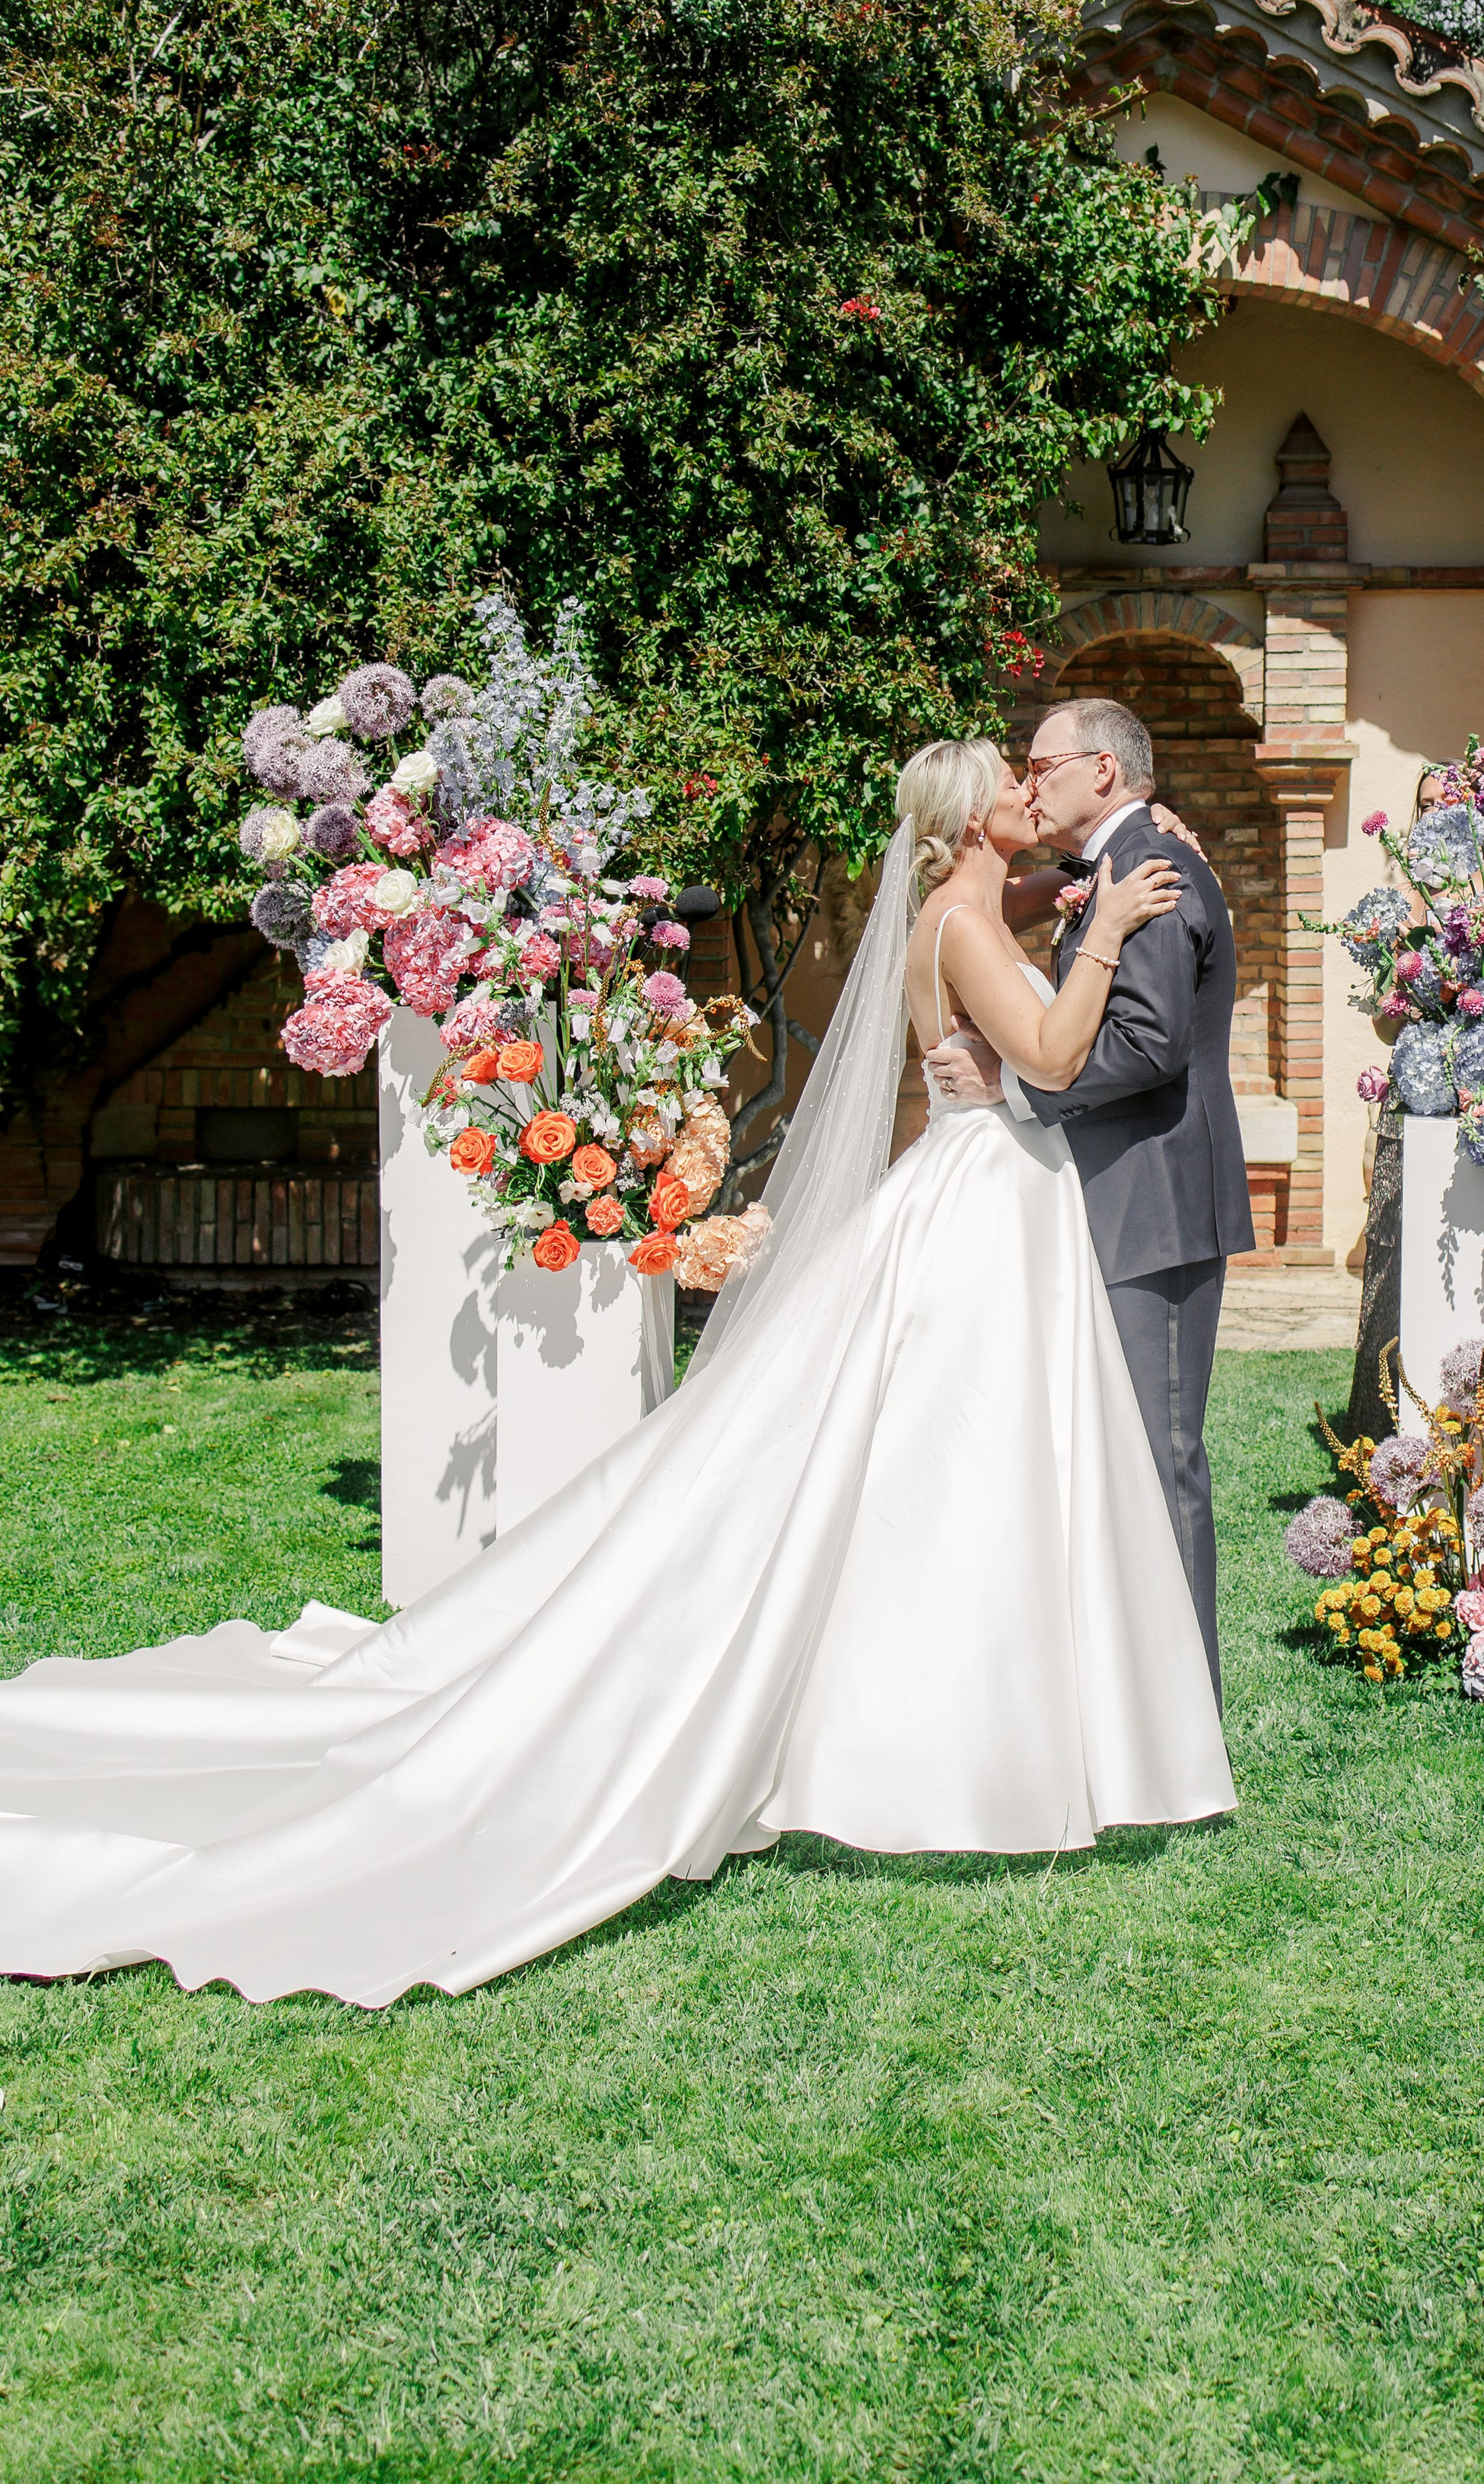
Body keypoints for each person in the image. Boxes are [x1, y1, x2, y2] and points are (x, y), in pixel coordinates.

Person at [0, 742, 1233, 2010]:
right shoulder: (970, 921)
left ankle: (957, 1727)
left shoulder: (954, 910)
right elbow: (1053, 1054)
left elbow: (988, 960)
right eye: (1016, 787)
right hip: (987, 1206)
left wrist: (1060, 905)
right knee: (962, 1465)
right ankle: (946, 1745)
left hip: (976, 1192)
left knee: (934, 1467)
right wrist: (1105, 935)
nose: (1039, 799)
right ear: (977, 812)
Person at [928, 699, 1255, 1704]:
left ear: (1104, 771)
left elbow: (1148, 1046)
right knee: (1114, 1447)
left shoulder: (1150, 871)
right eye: (1017, 773)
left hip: (1151, 1196)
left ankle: (1180, 1700)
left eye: (1044, 764)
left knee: (1162, 1453)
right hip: (1112, 1196)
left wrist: (1014, 1085)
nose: (1031, 784)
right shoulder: (1113, 869)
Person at [1345, 761, 1449, 1446]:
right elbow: (1385, 1025)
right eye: (1425, 805)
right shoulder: (1403, 905)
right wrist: (1400, 988)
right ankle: (1384, 1431)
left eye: (1450, 803)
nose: (1435, 815)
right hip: (1415, 1093)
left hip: (1482, 1098)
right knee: (1395, 1258)